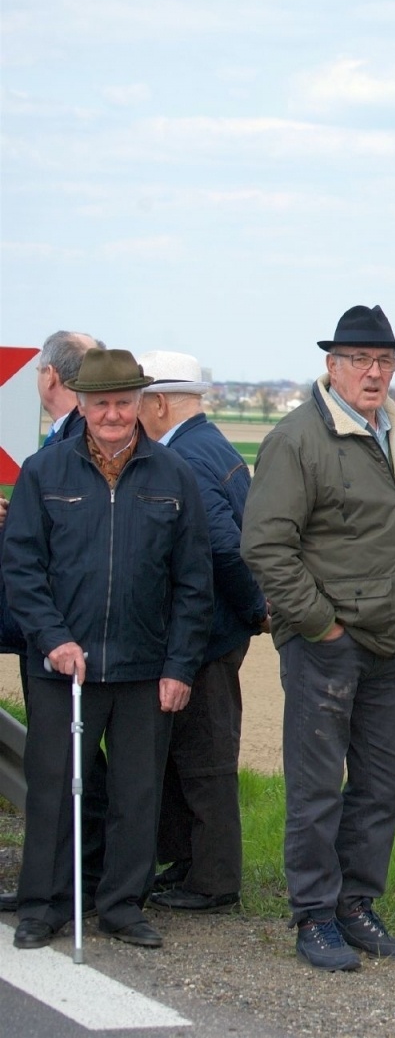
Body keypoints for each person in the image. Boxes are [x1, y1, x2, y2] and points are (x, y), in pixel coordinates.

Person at [2, 348, 213, 950]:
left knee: (136, 794)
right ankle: (43, 906)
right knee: (52, 787)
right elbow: (22, 567)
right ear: (84, 406)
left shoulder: (174, 475)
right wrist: (53, 639)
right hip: (62, 668)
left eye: (124, 403)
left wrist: (179, 667)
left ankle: (122, 905)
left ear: (143, 406)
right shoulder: (46, 472)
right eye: (102, 404)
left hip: (144, 669)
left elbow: (194, 582)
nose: (114, 415)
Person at [241, 305, 395, 972]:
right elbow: (265, 542)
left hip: (388, 641)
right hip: (327, 642)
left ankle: (356, 905)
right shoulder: (298, 438)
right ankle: (314, 915)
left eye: (384, 361)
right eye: (360, 360)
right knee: (318, 784)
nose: (374, 373)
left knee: (380, 782)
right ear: (332, 365)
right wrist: (320, 623)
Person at [136, 351, 267, 914]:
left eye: (138, 402)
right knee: (189, 752)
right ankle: (188, 862)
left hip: (207, 632)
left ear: (160, 402)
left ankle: (213, 880)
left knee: (204, 756)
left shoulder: (182, 457)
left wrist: (254, 606)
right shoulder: (213, 445)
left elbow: (222, 546)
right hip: (221, 626)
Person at [1, 331, 110, 916]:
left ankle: (75, 881)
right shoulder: (60, 440)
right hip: (56, 626)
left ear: (49, 376)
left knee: (71, 761)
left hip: (69, 630)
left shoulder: (72, 440)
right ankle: (65, 881)